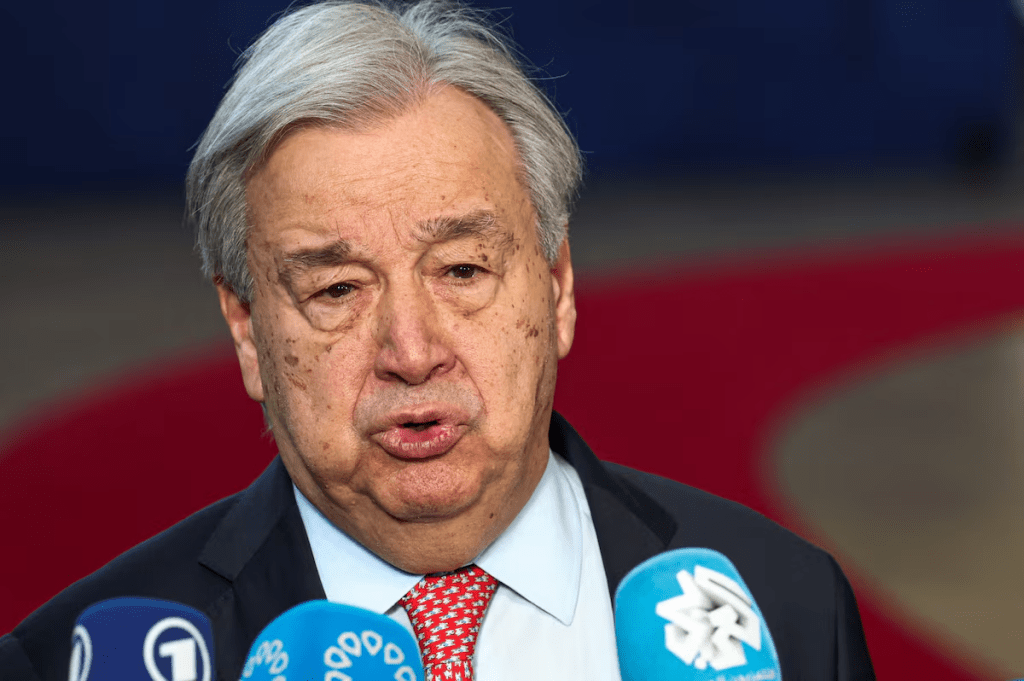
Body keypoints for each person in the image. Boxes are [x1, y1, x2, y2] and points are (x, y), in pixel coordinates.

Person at [0, 1, 875, 678]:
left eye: (461, 271)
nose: (412, 351)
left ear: (558, 284)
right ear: (248, 330)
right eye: (337, 289)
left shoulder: (782, 604)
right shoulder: (78, 658)